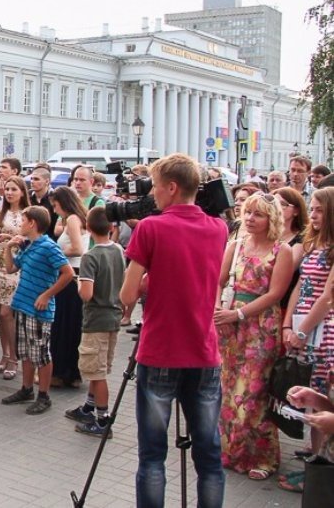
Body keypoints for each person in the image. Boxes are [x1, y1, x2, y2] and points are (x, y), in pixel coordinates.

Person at [119, 154, 228, 508]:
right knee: (209, 456)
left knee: (153, 455)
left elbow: (127, 294)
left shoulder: (152, 227)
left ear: (171, 187)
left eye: (154, 187)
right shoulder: (219, 228)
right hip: (203, 350)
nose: (152, 195)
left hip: (161, 350)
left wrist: (152, 278)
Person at [214, 192, 293, 480]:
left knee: (255, 391)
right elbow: (218, 282)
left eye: (258, 214)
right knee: (228, 389)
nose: (250, 218)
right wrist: (218, 310)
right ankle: (230, 451)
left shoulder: (281, 250)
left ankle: (262, 456)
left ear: (270, 219)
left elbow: (275, 294)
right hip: (229, 323)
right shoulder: (235, 245)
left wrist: (239, 314)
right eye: (247, 212)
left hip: (260, 325)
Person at [280, 187, 334, 492]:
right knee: (313, 396)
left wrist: (301, 331)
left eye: (318, 210)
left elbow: (328, 297)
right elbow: (300, 284)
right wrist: (288, 325)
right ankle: (315, 457)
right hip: (303, 323)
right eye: (310, 209)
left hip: (322, 330)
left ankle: (321, 465)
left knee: (322, 396)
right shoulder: (313, 243)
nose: (312, 215)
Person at [0, 206, 75, 415]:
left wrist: (47, 294)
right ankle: (26, 389)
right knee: (25, 352)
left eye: (23, 221)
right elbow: (10, 268)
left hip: (39, 309)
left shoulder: (48, 246)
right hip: (23, 305)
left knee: (41, 354)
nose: (20, 225)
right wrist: (9, 248)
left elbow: (67, 273)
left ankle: (44, 395)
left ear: (32, 223)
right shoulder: (29, 245)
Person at [66, 207, 126, 438]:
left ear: (88, 229)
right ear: (112, 228)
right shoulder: (118, 250)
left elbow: (87, 293)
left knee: (96, 371)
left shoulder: (91, 257)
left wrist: (78, 282)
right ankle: (89, 407)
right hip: (113, 317)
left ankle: (102, 420)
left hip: (96, 319)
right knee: (97, 368)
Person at [50, 186, 90, 388]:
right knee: (69, 326)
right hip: (74, 275)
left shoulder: (73, 219)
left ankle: (63, 372)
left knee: (64, 326)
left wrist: (56, 251)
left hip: (70, 276)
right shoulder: (77, 218)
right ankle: (69, 372)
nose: (55, 210)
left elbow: (77, 248)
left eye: (56, 206)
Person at [0, 175, 30, 381]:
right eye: (7, 189)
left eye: (14, 189)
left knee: (8, 313)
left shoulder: (26, 214)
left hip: (16, 266)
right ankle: (5, 354)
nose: (10, 193)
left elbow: (31, 240)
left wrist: (13, 239)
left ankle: (14, 357)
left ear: (22, 192)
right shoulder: (1, 211)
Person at [28, 166, 58, 238]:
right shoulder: (28, 198)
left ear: (47, 181)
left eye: (36, 179)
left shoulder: (54, 199)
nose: (32, 182)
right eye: (31, 179)